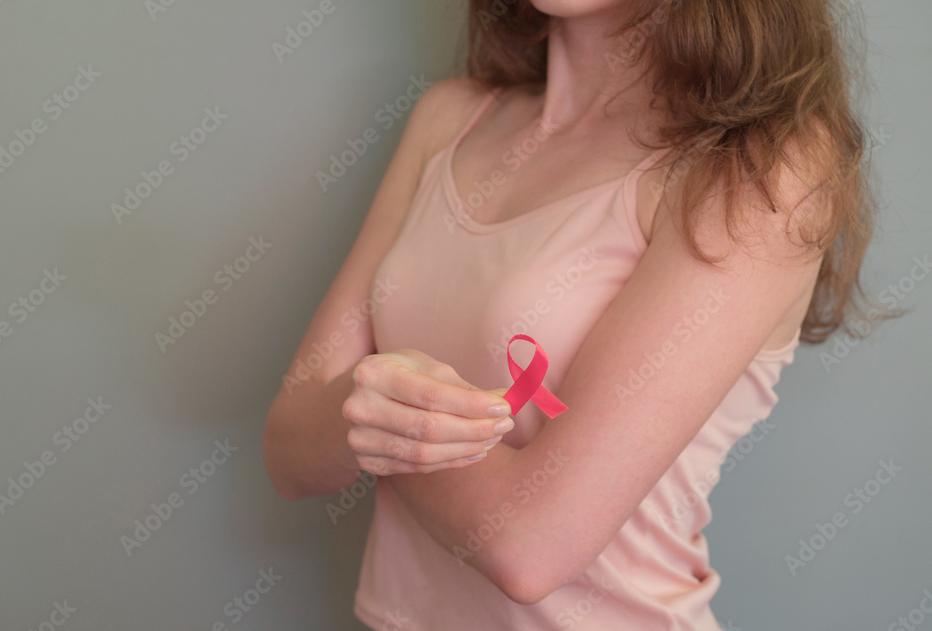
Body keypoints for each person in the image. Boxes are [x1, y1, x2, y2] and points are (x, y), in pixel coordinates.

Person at [264, 0, 884, 627]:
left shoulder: (759, 169)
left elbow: (529, 547)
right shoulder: (448, 119)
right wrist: (357, 418)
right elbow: (288, 452)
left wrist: (372, 424)